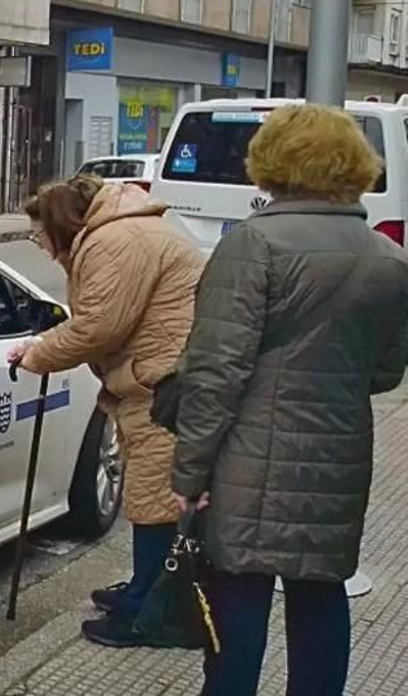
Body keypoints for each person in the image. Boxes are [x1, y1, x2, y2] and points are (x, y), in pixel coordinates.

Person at [171, 104, 408, 696]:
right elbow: (384, 372)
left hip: (248, 458)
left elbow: (214, 372)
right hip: (339, 455)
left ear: (269, 162)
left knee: (240, 594)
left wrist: (190, 471)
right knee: (321, 592)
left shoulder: (253, 245)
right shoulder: (389, 259)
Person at [8, 173, 204, 648]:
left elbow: (98, 327)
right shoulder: (118, 230)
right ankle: (144, 591)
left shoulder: (114, 239)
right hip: (158, 379)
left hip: (165, 385)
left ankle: (150, 614)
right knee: (151, 494)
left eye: (39, 234)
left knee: (155, 502)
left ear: (59, 224)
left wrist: (37, 352)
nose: (38, 244)